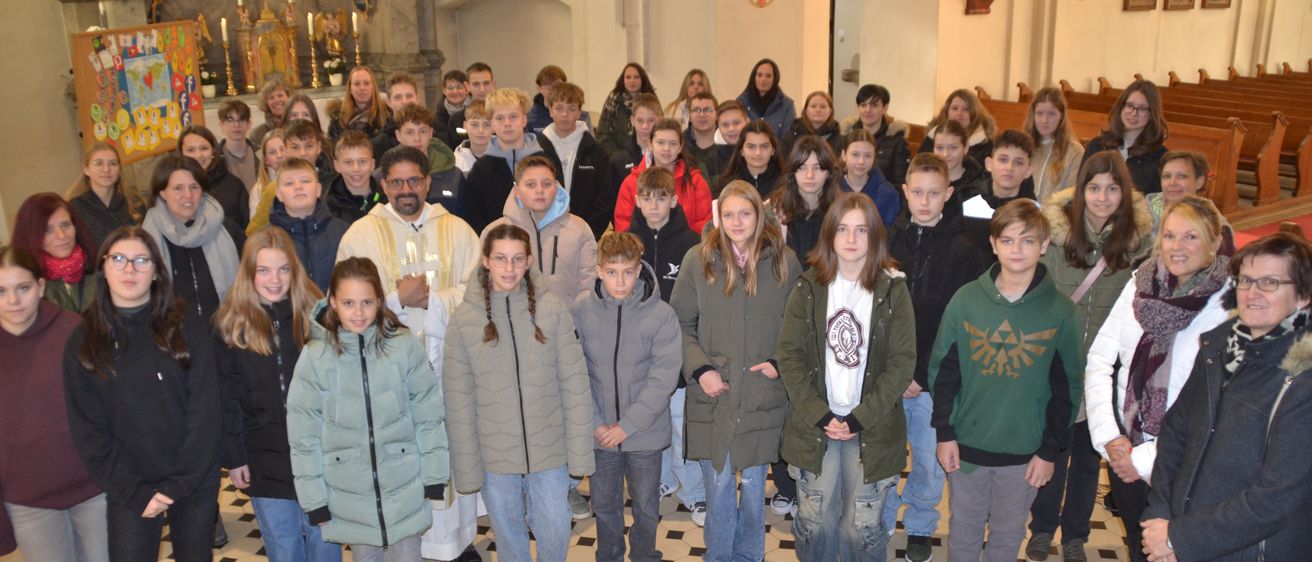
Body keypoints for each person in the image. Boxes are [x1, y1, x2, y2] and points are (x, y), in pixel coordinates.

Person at [1141, 232, 1312, 562]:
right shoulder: (1218, 348)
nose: (1252, 293)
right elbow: (1175, 434)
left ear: (1303, 295)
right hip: (1185, 538)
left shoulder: (1302, 378)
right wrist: (1160, 516)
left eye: (1270, 283)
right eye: (1246, 280)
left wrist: (1178, 539)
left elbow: (1276, 497)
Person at [929, 200, 1084, 562]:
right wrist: (944, 433)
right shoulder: (965, 301)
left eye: (1028, 241)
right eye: (1009, 240)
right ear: (993, 243)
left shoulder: (1061, 312)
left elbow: (1068, 390)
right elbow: (944, 373)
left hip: (1025, 453)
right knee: (964, 528)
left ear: (1044, 245)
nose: (1017, 249)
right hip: (967, 443)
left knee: (1008, 533)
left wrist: (1050, 452)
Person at [1083, 196, 1231, 562]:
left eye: (1191, 237)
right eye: (1169, 235)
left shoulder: (1230, 304)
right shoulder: (1140, 283)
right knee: (1138, 548)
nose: (1177, 247)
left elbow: (1213, 403)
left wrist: (1144, 458)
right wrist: (1110, 438)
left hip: (1182, 463)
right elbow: (1100, 359)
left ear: (1214, 242)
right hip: (1124, 447)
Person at [63, 226, 223, 562]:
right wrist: (135, 494)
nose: (129, 269)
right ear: (104, 268)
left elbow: (205, 410)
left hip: (192, 477)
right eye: (118, 259)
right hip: (129, 483)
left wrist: (178, 485)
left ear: (155, 272)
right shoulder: (83, 342)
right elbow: (89, 432)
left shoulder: (187, 324)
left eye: (141, 260)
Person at [1028, 149, 1155, 562]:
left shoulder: (1138, 244)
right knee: (1053, 450)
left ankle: (1076, 535)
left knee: (1089, 456)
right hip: (1057, 361)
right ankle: (1043, 528)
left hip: (1105, 369)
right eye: (1094, 188)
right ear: (1081, 191)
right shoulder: (1057, 234)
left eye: (1112, 188)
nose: (1102, 198)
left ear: (1124, 192)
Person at [443, 223, 595, 562]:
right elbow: (458, 401)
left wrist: (581, 452)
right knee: (508, 532)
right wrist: (467, 467)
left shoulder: (552, 308)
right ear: (485, 261)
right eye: (500, 258)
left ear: (529, 261)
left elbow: (575, 385)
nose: (508, 268)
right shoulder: (465, 319)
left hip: (550, 449)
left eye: (516, 259)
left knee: (555, 525)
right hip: (495, 454)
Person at [777, 192, 915, 561]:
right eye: (842, 229)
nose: (852, 240)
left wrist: (857, 417)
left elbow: (902, 363)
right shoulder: (808, 289)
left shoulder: (893, 291)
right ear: (829, 236)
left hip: (871, 428)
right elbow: (788, 357)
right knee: (815, 519)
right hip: (815, 425)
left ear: (875, 237)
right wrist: (822, 415)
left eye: (861, 230)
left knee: (861, 526)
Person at [669, 181, 801, 562]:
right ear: (718, 217)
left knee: (756, 483)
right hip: (716, 391)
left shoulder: (783, 261)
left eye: (745, 213)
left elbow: (799, 327)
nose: (737, 222)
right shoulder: (699, 259)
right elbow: (679, 324)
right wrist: (700, 369)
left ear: (759, 216)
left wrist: (778, 364)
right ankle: (720, 556)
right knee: (721, 484)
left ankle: (749, 556)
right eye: (728, 215)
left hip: (762, 394)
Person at [285, 257, 448, 562]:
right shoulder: (315, 356)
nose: (358, 312)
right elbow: (303, 437)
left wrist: (434, 477)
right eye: (348, 303)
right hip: (350, 498)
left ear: (379, 301)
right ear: (333, 302)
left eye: (366, 302)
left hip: (405, 487)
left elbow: (428, 416)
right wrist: (314, 500)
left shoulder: (403, 346)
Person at [214, 228, 340, 562]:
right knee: (284, 548)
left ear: (294, 270)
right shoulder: (230, 325)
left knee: (325, 545)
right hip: (262, 458)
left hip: (318, 455)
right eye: (264, 270)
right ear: (249, 274)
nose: (275, 279)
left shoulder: (319, 318)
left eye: (283, 269)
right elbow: (226, 397)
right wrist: (235, 455)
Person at [885, 153, 985, 562]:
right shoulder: (888, 242)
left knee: (927, 459)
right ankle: (881, 517)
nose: (924, 201)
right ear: (905, 192)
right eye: (917, 192)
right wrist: (896, 372)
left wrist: (922, 374)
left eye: (933, 193)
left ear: (948, 194)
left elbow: (957, 322)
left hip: (934, 378)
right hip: (889, 376)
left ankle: (922, 525)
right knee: (885, 456)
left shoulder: (966, 250)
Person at [572, 231, 683, 562]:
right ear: (598, 270)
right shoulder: (581, 310)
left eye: (628, 271)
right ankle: (609, 555)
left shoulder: (661, 315)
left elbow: (663, 379)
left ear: (639, 269)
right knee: (604, 506)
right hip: (600, 434)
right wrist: (596, 423)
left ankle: (644, 555)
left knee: (646, 506)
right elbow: (575, 372)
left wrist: (627, 426)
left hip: (644, 435)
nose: (620, 281)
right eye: (611, 272)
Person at [0, 246, 107, 562]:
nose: (13, 301)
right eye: (1, 291)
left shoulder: (73, 330)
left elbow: (106, 407)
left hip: (92, 487)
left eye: (23, 288)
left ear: (41, 287)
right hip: (27, 499)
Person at [624, 166, 706, 525]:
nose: (653, 205)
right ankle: (660, 481)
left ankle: (694, 492)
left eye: (661, 198)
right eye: (646, 198)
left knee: (680, 422)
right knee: (649, 421)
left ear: (674, 200)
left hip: (679, 351)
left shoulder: (692, 243)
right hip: (640, 353)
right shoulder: (627, 242)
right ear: (637, 200)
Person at [336, 145, 480, 338]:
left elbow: (478, 291)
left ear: (427, 183)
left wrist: (432, 300)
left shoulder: (459, 231)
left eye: (414, 180)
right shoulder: (359, 236)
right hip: (385, 356)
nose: (406, 190)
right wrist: (398, 300)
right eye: (396, 182)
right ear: (384, 185)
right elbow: (344, 303)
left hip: (448, 356)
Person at [140, 155, 243, 320]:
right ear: (162, 192)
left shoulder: (227, 229)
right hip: (171, 335)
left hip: (224, 330)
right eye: (178, 188)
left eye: (194, 187)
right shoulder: (146, 240)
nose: (188, 195)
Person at [484, 155, 597, 303]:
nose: (539, 190)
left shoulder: (579, 229)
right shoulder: (493, 233)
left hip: (567, 322)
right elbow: (483, 285)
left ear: (556, 188)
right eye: (530, 184)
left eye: (546, 184)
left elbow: (588, 284)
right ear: (517, 190)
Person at [462, 88, 563, 233]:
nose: (507, 123)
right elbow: (474, 216)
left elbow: (559, 202)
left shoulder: (546, 160)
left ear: (524, 120)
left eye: (513, 116)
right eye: (500, 118)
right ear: (492, 123)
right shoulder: (481, 169)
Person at [614, 118, 713, 234]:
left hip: (685, 249)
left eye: (673, 143)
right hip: (641, 249)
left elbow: (705, 223)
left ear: (680, 147)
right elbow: (623, 225)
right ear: (650, 145)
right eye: (660, 142)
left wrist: (681, 243)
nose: (666, 148)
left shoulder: (695, 182)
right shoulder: (631, 182)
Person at [542, 81, 614, 238]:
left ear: (580, 112)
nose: (564, 114)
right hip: (544, 235)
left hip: (585, 236)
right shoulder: (537, 149)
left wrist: (589, 234)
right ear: (550, 110)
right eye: (559, 108)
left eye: (571, 109)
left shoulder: (595, 152)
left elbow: (605, 198)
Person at [268, 158, 350, 290]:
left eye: (305, 181)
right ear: (279, 194)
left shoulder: (342, 231)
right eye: (289, 183)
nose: (298, 187)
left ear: (318, 190)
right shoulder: (266, 238)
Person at [10, 193, 99, 312]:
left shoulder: (99, 270)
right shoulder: (21, 283)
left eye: (65, 225)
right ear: (30, 235)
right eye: (48, 230)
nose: (61, 235)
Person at [1082, 80, 1168, 195]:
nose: (1133, 113)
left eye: (1142, 109)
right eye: (1129, 105)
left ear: (1152, 114)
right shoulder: (1097, 145)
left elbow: (1156, 201)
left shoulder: (1160, 156)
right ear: (1121, 107)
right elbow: (1082, 186)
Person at [959, 129, 1038, 255]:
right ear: (989, 164)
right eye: (1003, 159)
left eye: (1018, 162)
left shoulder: (1033, 213)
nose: (1009, 167)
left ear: (1028, 171)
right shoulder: (970, 202)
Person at [770, 135, 843, 267]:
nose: (810, 175)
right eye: (802, 168)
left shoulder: (843, 213)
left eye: (817, 168)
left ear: (829, 172)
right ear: (793, 172)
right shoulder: (773, 211)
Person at [66, 142, 142, 251]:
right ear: (86, 169)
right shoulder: (74, 208)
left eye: (112, 163)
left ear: (119, 169)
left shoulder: (135, 203)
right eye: (98, 163)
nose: (106, 169)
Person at [390, 103, 460, 212]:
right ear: (398, 135)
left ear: (431, 133)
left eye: (422, 131)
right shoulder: (385, 176)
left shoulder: (454, 176)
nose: (417, 138)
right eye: (410, 132)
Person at [180, 125, 250, 229]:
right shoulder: (171, 188)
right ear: (181, 153)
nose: (198, 155)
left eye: (204, 148)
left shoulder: (234, 185)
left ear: (213, 150)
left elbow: (247, 226)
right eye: (191, 150)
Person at [1025, 87, 1085, 203]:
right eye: (1039, 113)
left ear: (1061, 116)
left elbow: (1072, 194)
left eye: (1051, 114)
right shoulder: (1023, 147)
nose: (1044, 120)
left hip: (1056, 217)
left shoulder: (1075, 151)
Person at [844, 84, 911, 187]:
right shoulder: (847, 137)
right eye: (863, 105)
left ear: (885, 108)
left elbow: (901, 185)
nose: (867, 110)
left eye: (874, 105)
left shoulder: (897, 142)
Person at [837, 129, 900, 227]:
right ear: (844, 155)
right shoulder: (832, 188)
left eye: (867, 155)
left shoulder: (887, 192)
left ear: (874, 157)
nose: (861, 161)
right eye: (855, 154)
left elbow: (889, 233)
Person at [919, 89, 996, 166]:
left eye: (966, 109)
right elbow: (919, 166)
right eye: (955, 108)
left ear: (975, 114)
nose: (959, 113)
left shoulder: (985, 145)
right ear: (947, 112)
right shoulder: (932, 138)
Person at [325, 130, 387, 224]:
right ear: (337, 166)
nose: (356, 169)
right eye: (348, 162)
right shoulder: (328, 207)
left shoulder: (387, 198)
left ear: (372, 164)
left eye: (362, 161)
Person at [597, 62, 657, 155]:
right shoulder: (613, 100)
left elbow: (659, 130)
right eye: (628, 77)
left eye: (636, 77)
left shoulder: (652, 100)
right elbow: (603, 134)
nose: (632, 81)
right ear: (623, 80)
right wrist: (618, 157)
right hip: (617, 157)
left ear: (643, 79)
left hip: (648, 154)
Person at [714, 120, 783, 199]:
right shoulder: (725, 185)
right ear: (742, 150)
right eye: (751, 147)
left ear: (773, 150)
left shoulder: (785, 184)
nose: (758, 153)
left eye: (764, 146)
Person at [607, 93, 662, 192]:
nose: (645, 126)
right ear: (632, 121)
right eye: (640, 120)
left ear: (660, 120)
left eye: (651, 120)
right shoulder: (617, 162)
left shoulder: (667, 158)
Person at [934, 120, 986, 216]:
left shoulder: (978, 185)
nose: (945, 154)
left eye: (953, 148)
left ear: (965, 148)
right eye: (939, 148)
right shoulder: (926, 180)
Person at [737, 58, 796, 138]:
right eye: (759, 75)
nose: (763, 79)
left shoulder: (786, 105)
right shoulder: (741, 102)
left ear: (775, 79)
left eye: (768, 76)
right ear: (754, 77)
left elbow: (788, 139)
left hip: (778, 150)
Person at [328, 66, 388, 142]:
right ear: (350, 89)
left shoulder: (386, 116)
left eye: (366, 83)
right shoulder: (337, 119)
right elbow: (331, 148)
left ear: (373, 87)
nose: (362, 88)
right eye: (356, 84)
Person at [246, 128, 288, 235]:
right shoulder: (258, 190)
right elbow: (256, 229)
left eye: (282, 149)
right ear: (265, 160)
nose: (279, 155)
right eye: (272, 152)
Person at [1150, 150, 1209, 226]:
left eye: (1181, 176)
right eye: (1167, 176)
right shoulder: (1141, 216)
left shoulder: (1211, 221)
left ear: (1199, 182)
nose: (1172, 183)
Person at [444, 63, 496, 148]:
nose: (482, 89)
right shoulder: (456, 120)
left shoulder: (503, 117)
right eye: (476, 84)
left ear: (493, 84)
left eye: (486, 83)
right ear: (467, 86)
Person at [372, 72, 423, 158]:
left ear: (417, 99)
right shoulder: (380, 143)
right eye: (398, 97)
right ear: (389, 102)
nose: (404, 102)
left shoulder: (434, 131)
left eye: (409, 96)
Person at [701, 100, 750, 184]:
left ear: (747, 122)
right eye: (725, 125)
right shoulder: (709, 162)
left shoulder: (759, 154)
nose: (731, 129)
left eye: (736, 123)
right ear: (718, 127)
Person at [781, 91, 842, 157]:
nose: (818, 110)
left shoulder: (840, 141)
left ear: (830, 111)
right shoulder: (791, 137)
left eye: (823, 107)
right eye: (813, 106)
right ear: (806, 110)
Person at [218, 99, 261, 192]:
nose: (236, 125)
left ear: (248, 124)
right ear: (221, 124)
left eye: (241, 119)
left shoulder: (261, 154)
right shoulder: (214, 158)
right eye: (230, 120)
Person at [452, 99, 493, 177]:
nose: (481, 130)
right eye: (474, 125)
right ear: (465, 126)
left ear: (494, 126)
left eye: (487, 124)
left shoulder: (506, 157)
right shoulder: (456, 162)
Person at [684, 92, 720, 173]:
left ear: (717, 114)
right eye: (696, 110)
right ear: (690, 115)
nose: (702, 115)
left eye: (708, 110)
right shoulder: (680, 144)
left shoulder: (727, 142)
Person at [434, 69, 470, 149]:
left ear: (467, 88)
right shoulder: (438, 117)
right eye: (450, 88)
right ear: (444, 91)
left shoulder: (476, 110)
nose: (455, 91)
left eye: (459, 87)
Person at [250, 78, 293, 145]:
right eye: (271, 98)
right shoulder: (257, 134)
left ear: (289, 97)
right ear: (266, 103)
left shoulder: (301, 127)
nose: (277, 100)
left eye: (280, 95)